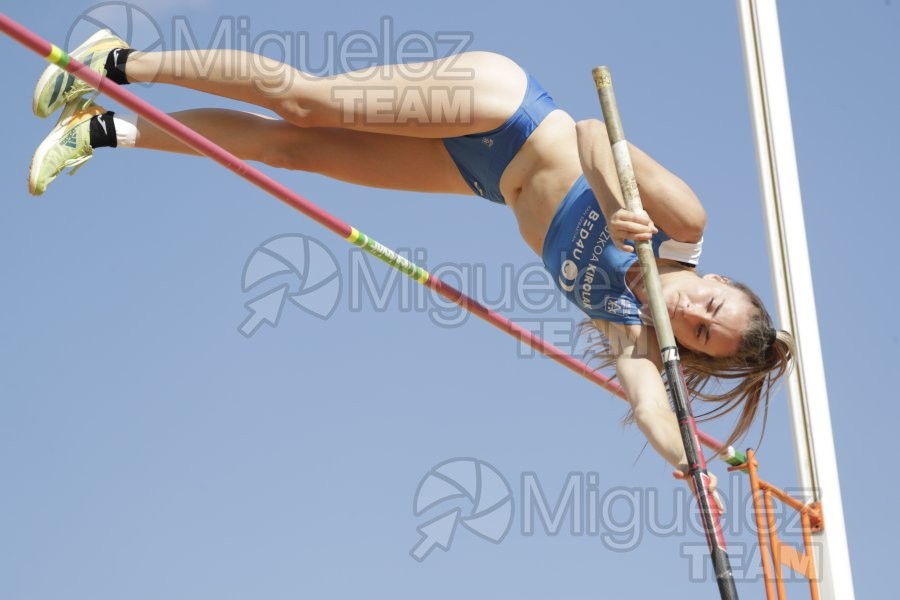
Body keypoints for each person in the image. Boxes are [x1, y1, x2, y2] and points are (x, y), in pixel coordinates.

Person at [28, 30, 794, 486]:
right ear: (721, 281)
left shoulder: (626, 316)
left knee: (291, 151)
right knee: (306, 102)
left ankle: (102, 130)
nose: (692, 313)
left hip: (480, 177)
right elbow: (595, 137)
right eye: (713, 306)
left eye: (699, 333)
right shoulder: (682, 224)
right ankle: (116, 61)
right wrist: (617, 198)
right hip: (508, 108)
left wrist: (687, 459)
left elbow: (648, 402)